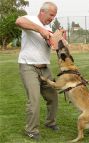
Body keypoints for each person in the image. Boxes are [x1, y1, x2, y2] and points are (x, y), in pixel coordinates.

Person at [15, 2, 59, 140]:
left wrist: (56, 38)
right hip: (28, 67)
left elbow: (51, 45)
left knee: (53, 97)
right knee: (34, 100)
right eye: (51, 15)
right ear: (42, 12)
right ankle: (31, 130)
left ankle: (50, 123)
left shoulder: (48, 27)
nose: (52, 18)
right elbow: (19, 21)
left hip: (45, 68)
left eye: (54, 16)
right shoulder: (31, 19)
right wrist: (40, 30)